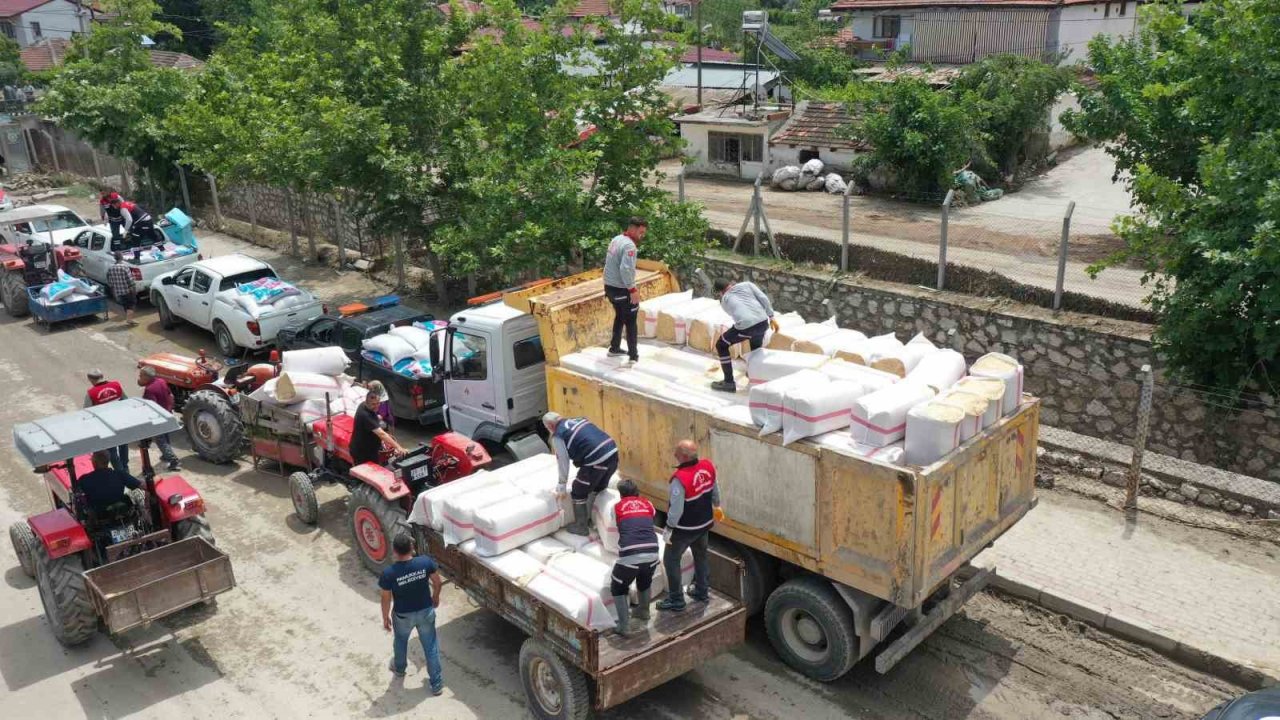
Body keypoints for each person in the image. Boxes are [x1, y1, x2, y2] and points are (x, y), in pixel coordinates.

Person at [658, 439, 723, 612]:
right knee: (701, 556)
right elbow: (715, 490)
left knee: (671, 560)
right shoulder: (708, 467)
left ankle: (676, 599)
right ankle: (702, 591)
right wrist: (717, 505)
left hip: (684, 529)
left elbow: (676, 509)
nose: (674, 455)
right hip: (703, 525)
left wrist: (669, 528)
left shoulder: (679, 479)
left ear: (685, 457)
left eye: (677, 453)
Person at [379, 533, 444, 694]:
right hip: (426, 612)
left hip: (403, 616)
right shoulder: (425, 562)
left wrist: (385, 617)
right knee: (431, 647)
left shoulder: (389, 573)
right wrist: (435, 597)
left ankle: (400, 669)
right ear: (412, 548)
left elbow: (385, 598)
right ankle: (436, 684)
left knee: (400, 642)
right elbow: (437, 581)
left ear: (394, 551)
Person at [544, 412, 618, 536]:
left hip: (596, 458)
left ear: (550, 426)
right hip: (612, 452)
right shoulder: (579, 419)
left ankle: (581, 526)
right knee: (597, 488)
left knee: (578, 489)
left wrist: (562, 484)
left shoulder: (558, 435)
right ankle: (592, 519)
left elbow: (563, 461)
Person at [710, 279, 780, 393]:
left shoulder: (724, 300)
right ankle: (755, 374)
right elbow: (763, 298)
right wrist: (771, 317)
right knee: (755, 349)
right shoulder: (748, 284)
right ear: (731, 283)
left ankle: (728, 383)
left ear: (720, 292)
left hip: (746, 327)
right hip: (763, 323)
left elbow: (734, 314)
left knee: (721, 345)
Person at [610, 478, 658, 635]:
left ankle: (624, 626)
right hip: (653, 553)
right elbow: (650, 517)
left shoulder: (617, 507)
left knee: (618, 587)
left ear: (621, 494)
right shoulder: (648, 503)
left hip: (630, 554)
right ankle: (643, 611)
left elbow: (615, 525)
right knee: (644, 580)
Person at [603, 217, 646, 362]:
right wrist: (632, 290)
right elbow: (625, 269)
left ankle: (614, 348)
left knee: (620, 316)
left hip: (609, 288)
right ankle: (633, 356)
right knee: (631, 320)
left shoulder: (617, 239)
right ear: (632, 229)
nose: (642, 236)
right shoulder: (629, 246)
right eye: (640, 232)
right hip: (621, 289)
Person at [351, 381, 407, 468]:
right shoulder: (365, 415)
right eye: (373, 404)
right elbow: (382, 434)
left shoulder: (365, 406)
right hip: (362, 452)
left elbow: (375, 419)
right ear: (367, 402)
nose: (376, 406)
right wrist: (399, 448)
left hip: (371, 448)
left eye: (378, 403)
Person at [85, 369, 129, 473]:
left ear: (90, 379)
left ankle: (120, 472)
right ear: (102, 376)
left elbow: (87, 412)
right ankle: (125, 468)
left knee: (112, 451)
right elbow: (126, 401)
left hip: (106, 427)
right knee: (123, 445)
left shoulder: (91, 393)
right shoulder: (116, 385)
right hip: (121, 423)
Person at [138, 365, 181, 471]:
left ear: (147, 377)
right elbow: (169, 395)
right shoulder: (161, 381)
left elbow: (151, 407)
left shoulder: (149, 389)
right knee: (165, 437)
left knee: (160, 440)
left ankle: (173, 460)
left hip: (159, 418)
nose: (139, 378)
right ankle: (166, 455)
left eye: (140, 376)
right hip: (168, 412)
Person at [78, 450, 142, 517]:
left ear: (94, 462)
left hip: (99, 517)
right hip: (122, 514)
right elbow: (141, 485)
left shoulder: (84, 479)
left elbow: (77, 494)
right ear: (108, 461)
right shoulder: (119, 474)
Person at [106, 252, 137, 325]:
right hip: (127, 291)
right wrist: (134, 290)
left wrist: (114, 293)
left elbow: (110, 283)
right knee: (131, 304)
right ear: (121, 257)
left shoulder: (110, 269)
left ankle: (129, 319)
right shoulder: (124, 267)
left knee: (126, 306)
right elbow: (130, 281)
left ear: (114, 258)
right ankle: (129, 320)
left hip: (118, 292)